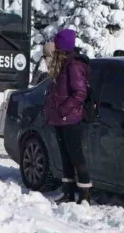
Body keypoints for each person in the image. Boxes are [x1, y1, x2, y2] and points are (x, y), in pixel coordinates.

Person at [43, 29, 92, 204]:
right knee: (66, 157)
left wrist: (64, 110)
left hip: (71, 119)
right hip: (61, 118)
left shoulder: (73, 66)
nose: (54, 47)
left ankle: (85, 195)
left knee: (76, 156)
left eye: (57, 44)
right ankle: (68, 193)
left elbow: (80, 92)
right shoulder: (63, 64)